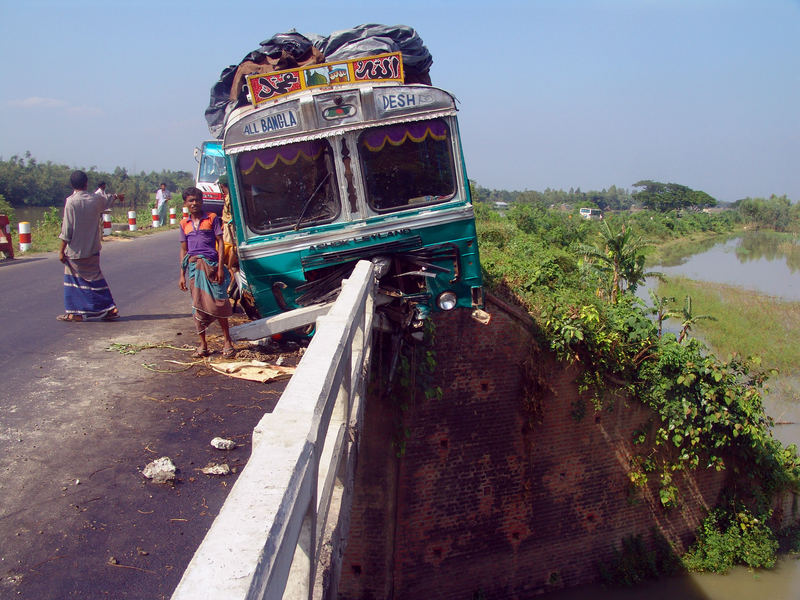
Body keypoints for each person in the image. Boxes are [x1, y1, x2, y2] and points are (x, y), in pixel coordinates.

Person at [57, 170, 122, 322]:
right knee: (95, 278)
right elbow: (108, 200)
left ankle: (76, 313)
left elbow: (67, 230)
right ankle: (108, 308)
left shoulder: (71, 202)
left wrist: (61, 250)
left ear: (72, 185)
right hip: (92, 249)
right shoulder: (95, 199)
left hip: (76, 250)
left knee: (73, 280)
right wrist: (116, 197)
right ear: (86, 183)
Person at [178, 186, 235, 358]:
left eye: (197, 200)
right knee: (198, 306)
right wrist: (182, 273)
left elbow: (220, 245)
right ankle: (203, 345)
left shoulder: (211, 218)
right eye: (191, 200)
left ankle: (227, 342)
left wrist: (220, 268)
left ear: (202, 201)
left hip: (211, 266)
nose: (194, 203)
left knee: (220, 303)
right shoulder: (184, 224)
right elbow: (183, 250)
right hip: (195, 268)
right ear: (185, 203)